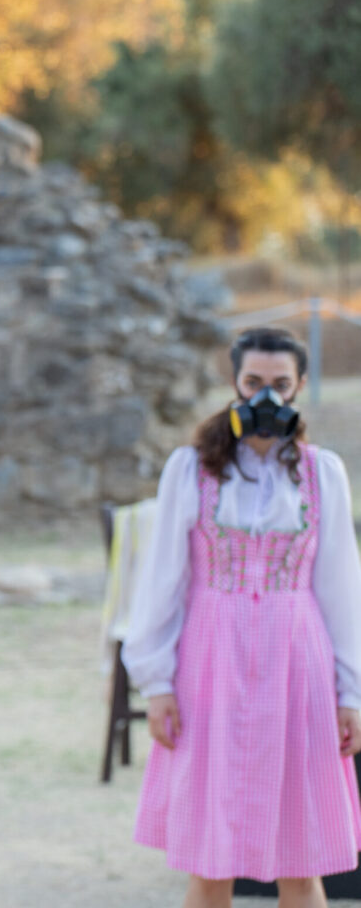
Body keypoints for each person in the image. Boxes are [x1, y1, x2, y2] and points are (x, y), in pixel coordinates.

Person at [125, 327, 361, 908]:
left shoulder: (323, 472)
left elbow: (342, 589)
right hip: (211, 664)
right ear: (234, 382)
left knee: (301, 863)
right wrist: (156, 684)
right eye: (254, 382)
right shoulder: (190, 468)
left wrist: (350, 693)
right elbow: (161, 581)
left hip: (297, 664)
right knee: (211, 864)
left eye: (280, 383)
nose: (265, 396)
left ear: (299, 386)